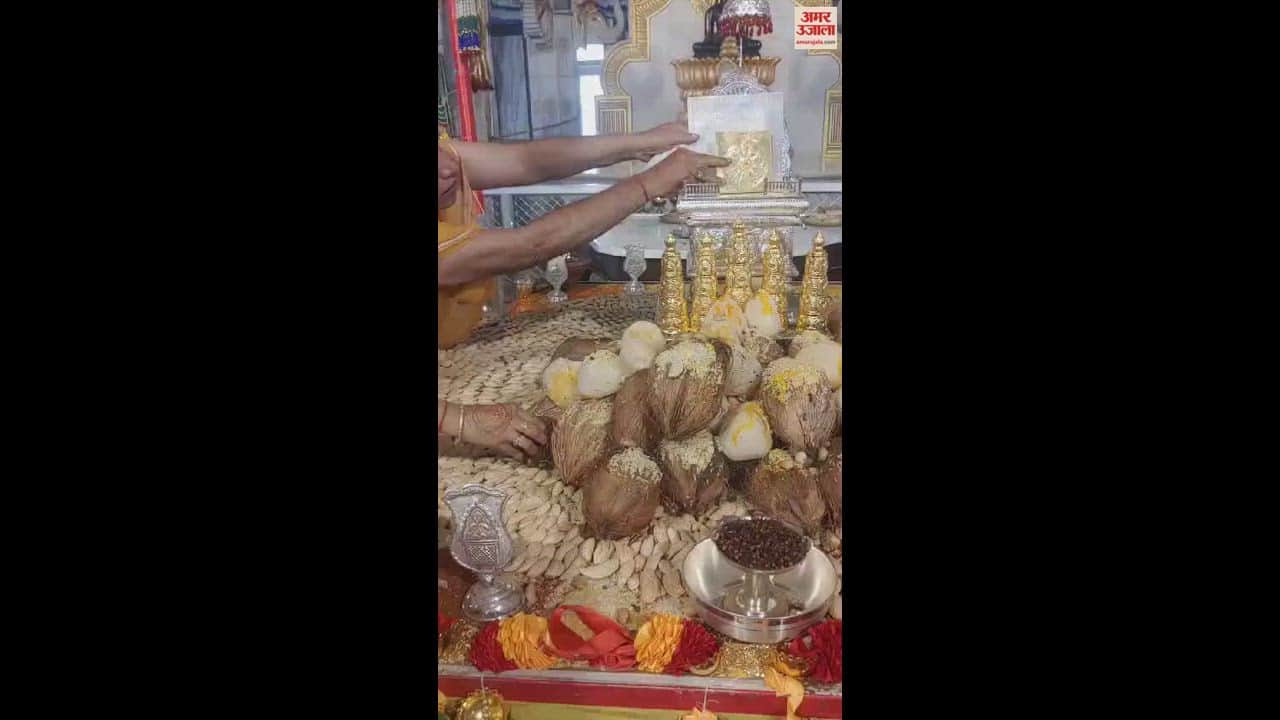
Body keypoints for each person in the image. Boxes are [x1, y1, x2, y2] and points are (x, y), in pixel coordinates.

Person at [438, 122, 730, 461]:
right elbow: (532, 244)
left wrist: (639, 143)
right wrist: (459, 418)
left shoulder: (447, 162)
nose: (449, 167)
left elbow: (528, 160)